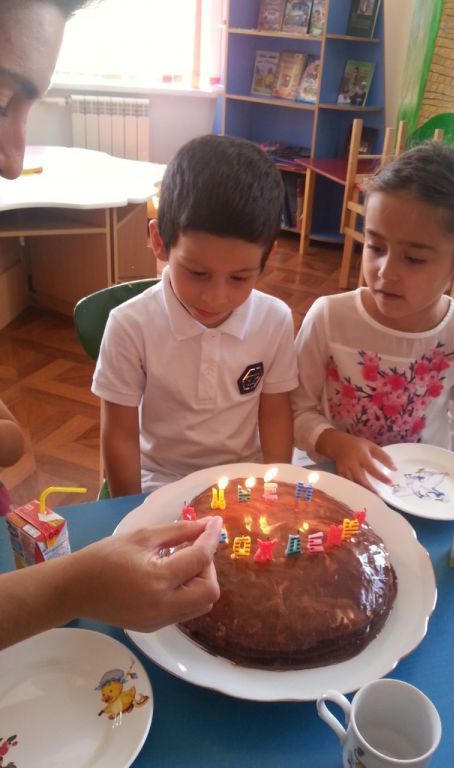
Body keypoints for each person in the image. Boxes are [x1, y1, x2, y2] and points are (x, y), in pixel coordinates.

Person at [0, 0, 221, 651]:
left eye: (26, 109)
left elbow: (10, 446)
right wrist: (71, 587)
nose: (13, 160)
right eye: (0, 101)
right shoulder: (133, 328)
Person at [92, 134, 298, 497]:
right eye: (197, 273)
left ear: (267, 259)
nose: (216, 297)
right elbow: (120, 435)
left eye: (239, 278)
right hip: (160, 481)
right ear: (159, 241)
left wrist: (275, 490)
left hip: (243, 483)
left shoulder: (275, 320)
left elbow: (276, 415)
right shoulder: (130, 325)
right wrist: (133, 511)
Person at [291, 141, 454, 490]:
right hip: (329, 478)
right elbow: (295, 409)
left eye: (414, 259)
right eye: (375, 246)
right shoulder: (329, 318)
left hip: (417, 490)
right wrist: (336, 444)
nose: (386, 272)